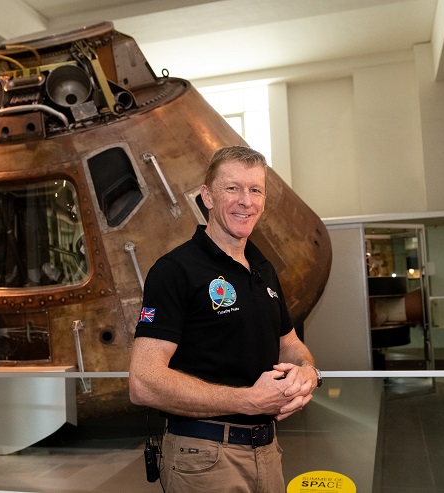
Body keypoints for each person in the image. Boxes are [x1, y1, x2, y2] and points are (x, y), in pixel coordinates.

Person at [129, 145, 323, 492]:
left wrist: (308, 372)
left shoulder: (263, 269)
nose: (245, 201)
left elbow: (289, 343)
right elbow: (144, 382)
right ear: (207, 197)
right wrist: (247, 400)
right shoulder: (174, 271)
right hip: (203, 457)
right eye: (232, 188)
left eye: (255, 190)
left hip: (268, 451)